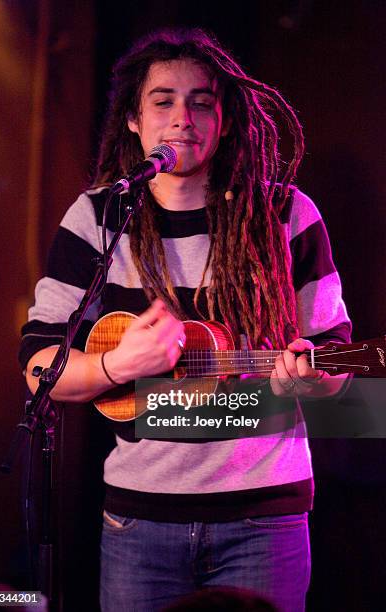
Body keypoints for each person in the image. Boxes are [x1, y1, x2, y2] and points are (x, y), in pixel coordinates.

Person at [19, 28, 351, 612]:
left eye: (202, 102)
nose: (182, 118)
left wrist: (311, 379)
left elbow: (338, 363)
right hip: (137, 521)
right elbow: (39, 365)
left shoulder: (285, 213)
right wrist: (121, 364)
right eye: (163, 100)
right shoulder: (98, 216)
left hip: (264, 518)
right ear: (132, 118)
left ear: (226, 120)